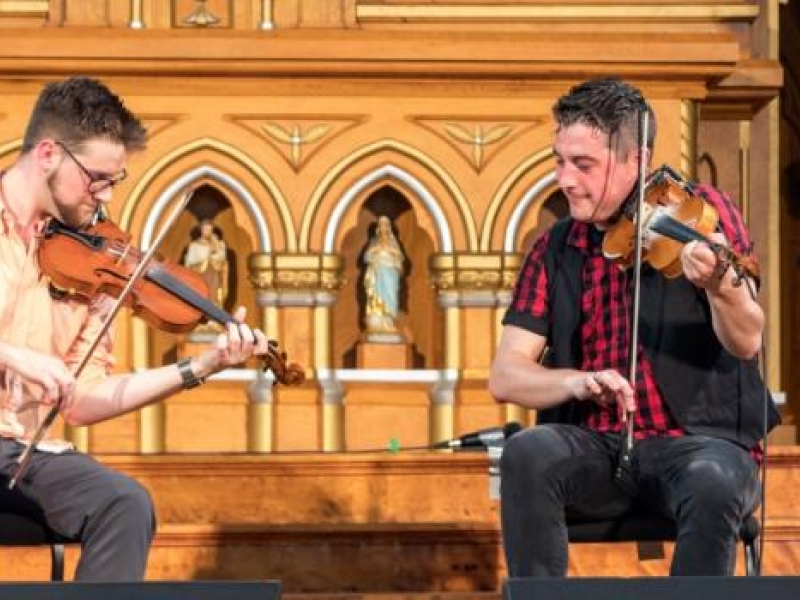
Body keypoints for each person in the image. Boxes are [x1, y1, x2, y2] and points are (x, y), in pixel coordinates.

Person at [488, 77, 779, 577]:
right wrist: (578, 381)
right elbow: (506, 376)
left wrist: (720, 286)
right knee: (526, 452)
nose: (565, 180)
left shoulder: (702, 213)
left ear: (637, 160)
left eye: (584, 165)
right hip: (601, 448)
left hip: (700, 443)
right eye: (560, 160)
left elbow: (747, 338)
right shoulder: (557, 247)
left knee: (712, 479)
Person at [0, 76, 269, 581]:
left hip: (17, 455)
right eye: (96, 178)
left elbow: (83, 399)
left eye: (114, 182)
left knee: (125, 502)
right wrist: (12, 355)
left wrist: (202, 365)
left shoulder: (91, 258)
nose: (103, 197)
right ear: (48, 154)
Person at [363, 215, 405, 334]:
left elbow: (399, 257)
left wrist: (389, 250)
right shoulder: (374, 242)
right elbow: (366, 257)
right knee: (377, 297)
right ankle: (377, 324)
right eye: (381, 225)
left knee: (390, 297)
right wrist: (376, 249)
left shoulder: (393, 242)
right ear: (378, 228)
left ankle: (388, 323)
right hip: (377, 273)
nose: (383, 227)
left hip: (390, 274)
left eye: (386, 225)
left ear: (389, 227)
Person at [184, 218, 229, 308]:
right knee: (200, 296)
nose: (207, 232)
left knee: (214, 296)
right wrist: (204, 262)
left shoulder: (219, 244)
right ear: (201, 230)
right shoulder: (194, 245)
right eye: (205, 229)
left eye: (209, 229)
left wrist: (215, 248)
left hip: (215, 277)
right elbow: (188, 265)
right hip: (200, 276)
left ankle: (214, 314)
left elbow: (222, 260)